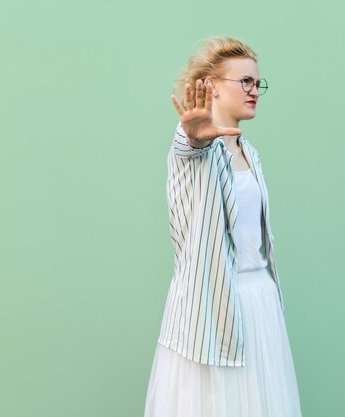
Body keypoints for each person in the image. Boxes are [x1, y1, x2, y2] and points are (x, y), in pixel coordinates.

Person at [144, 36, 303, 417]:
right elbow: (190, 145)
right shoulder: (193, 147)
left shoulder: (251, 153)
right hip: (211, 308)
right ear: (211, 86)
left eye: (257, 83)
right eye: (244, 82)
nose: (254, 91)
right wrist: (192, 136)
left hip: (259, 302)